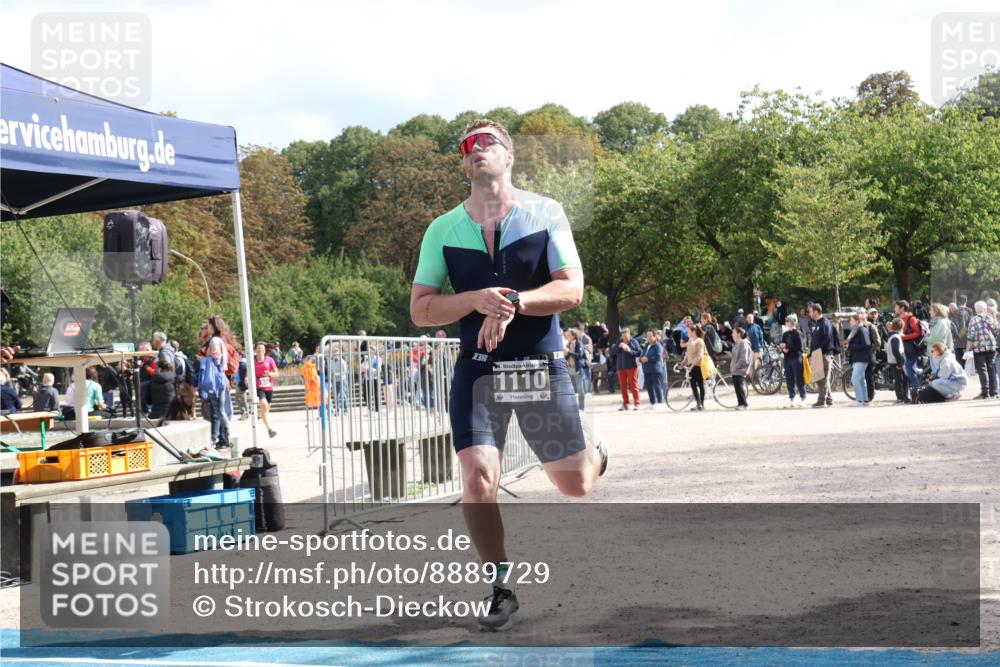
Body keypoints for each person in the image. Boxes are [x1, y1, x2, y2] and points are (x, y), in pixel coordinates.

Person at [409, 117, 607, 630]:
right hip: (478, 373)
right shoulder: (442, 229)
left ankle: (595, 452)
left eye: (487, 142)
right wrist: (476, 300)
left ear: (510, 155)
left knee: (576, 485)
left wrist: (514, 302)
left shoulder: (546, 212)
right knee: (478, 480)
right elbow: (421, 310)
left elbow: (571, 290)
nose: (476, 149)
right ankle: (500, 587)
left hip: (538, 366)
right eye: (467, 145)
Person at [966, 300, 999, 399]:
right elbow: (997, 330)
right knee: (991, 368)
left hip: (979, 347)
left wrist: (968, 349)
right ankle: (994, 392)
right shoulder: (990, 318)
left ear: (976, 309)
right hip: (991, 347)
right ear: (984, 309)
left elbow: (971, 336)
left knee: (982, 370)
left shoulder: (973, 320)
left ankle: (985, 393)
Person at [808, 304, 837, 408]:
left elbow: (827, 340)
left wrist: (819, 353)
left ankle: (821, 400)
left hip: (824, 354)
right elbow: (813, 342)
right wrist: (811, 355)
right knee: (819, 378)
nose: (809, 313)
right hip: (817, 355)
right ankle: (829, 399)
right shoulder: (815, 324)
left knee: (823, 379)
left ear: (816, 311)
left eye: (810, 311)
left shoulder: (825, 323)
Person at [895, 300, 923, 404]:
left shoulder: (911, 318)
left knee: (910, 370)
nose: (895, 309)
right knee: (905, 372)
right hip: (902, 348)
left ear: (902, 308)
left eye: (896, 307)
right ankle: (905, 396)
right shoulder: (898, 319)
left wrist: (904, 337)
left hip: (910, 349)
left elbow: (917, 333)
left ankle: (917, 395)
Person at [845, 314, 872, 406]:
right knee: (860, 379)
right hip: (857, 358)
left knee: (855, 378)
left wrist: (851, 346)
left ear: (857, 321)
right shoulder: (855, 331)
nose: (850, 322)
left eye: (851, 320)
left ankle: (859, 400)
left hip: (862, 358)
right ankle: (864, 400)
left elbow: (867, 345)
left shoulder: (862, 330)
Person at [780, 314, 806, 407]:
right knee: (789, 379)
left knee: (799, 378)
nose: (785, 322)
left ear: (791, 322)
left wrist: (787, 347)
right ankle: (792, 398)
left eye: (787, 321)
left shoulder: (798, 333)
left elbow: (800, 347)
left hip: (796, 357)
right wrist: (783, 349)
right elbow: (782, 344)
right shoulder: (785, 334)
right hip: (787, 358)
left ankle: (803, 397)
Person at [254, 342, 279, 438]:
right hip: (258, 387)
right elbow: (248, 373)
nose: (260, 350)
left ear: (265, 350)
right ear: (255, 350)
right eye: (258, 348)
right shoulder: (252, 361)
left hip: (268, 386)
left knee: (267, 407)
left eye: (262, 348)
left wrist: (269, 374)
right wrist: (247, 378)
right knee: (264, 405)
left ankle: (260, 415)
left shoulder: (270, 360)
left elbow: (276, 373)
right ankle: (270, 429)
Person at [615, 328, 642, 411]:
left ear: (629, 334)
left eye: (625, 335)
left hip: (631, 367)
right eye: (622, 335)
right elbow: (613, 351)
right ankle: (626, 404)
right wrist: (619, 347)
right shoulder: (619, 341)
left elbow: (639, 352)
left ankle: (637, 403)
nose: (624, 337)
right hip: (620, 367)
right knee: (623, 387)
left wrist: (629, 350)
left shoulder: (634, 342)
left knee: (633, 385)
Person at [683, 324, 707, 411]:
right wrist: (682, 363)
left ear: (693, 332)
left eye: (689, 331)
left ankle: (702, 404)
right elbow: (687, 354)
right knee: (693, 385)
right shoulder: (690, 340)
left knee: (700, 384)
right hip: (691, 366)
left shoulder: (699, 341)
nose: (687, 333)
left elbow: (699, 356)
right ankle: (698, 403)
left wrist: (692, 366)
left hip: (698, 366)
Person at [640, 329, 666, 409]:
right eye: (647, 336)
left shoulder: (658, 346)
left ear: (654, 336)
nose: (649, 338)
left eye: (651, 336)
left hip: (655, 369)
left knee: (657, 385)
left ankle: (660, 402)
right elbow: (642, 355)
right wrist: (641, 359)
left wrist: (647, 358)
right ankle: (652, 402)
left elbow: (658, 357)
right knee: (649, 386)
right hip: (647, 369)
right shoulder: (646, 345)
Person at [564, 329, 589, 410]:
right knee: (570, 389)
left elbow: (579, 355)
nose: (567, 336)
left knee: (580, 389)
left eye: (569, 335)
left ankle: (581, 407)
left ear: (573, 336)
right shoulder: (569, 344)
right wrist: (566, 354)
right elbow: (568, 356)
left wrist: (568, 352)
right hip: (570, 368)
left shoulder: (579, 343)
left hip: (578, 369)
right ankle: (573, 406)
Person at [884, 319, 908, 404]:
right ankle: (901, 397)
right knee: (900, 379)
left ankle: (901, 397)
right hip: (896, 361)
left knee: (899, 379)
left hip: (893, 360)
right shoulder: (895, 337)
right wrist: (900, 363)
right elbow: (896, 351)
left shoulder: (892, 335)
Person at [926, 303, 954, 371]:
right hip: (936, 351)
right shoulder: (938, 321)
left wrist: (925, 339)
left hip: (937, 352)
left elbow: (936, 338)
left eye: (931, 310)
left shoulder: (940, 322)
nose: (929, 312)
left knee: (938, 373)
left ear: (936, 311)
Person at [730, 326, 751, 409]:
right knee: (737, 387)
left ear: (739, 334)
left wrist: (736, 366)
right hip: (736, 369)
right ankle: (740, 404)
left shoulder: (743, 343)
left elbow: (744, 358)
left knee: (739, 386)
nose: (732, 334)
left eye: (734, 333)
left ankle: (744, 404)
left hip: (740, 369)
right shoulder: (737, 343)